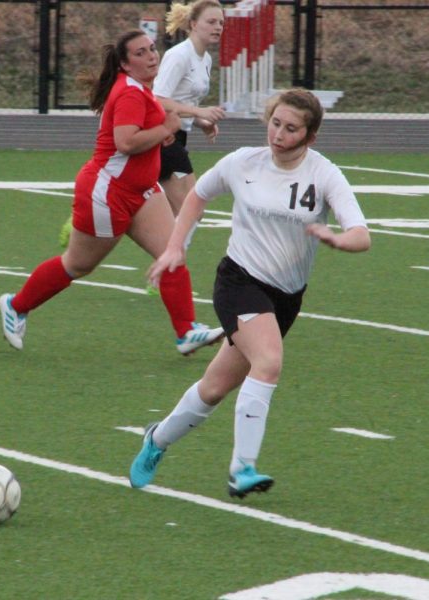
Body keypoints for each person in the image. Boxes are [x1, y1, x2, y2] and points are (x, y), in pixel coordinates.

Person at [129, 89, 371, 497]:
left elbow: (362, 235)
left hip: (286, 298)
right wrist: (174, 246)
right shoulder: (242, 162)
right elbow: (197, 195)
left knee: (213, 389)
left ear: (310, 137)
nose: (278, 134)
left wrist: (337, 239)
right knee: (269, 361)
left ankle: (156, 440)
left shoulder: (324, 174)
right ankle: (242, 467)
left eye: (291, 129)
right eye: (275, 123)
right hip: (239, 283)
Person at [0, 30, 224, 356]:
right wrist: (166, 130)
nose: (151, 56)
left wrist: (184, 124)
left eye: (152, 49)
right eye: (141, 53)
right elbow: (126, 143)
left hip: (142, 190)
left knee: (172, 252)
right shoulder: (130, 93)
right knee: (78, 264)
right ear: (124, 64)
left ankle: (187, 331)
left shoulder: (140, 89)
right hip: (108, 193)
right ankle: (15, 305)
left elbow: (157, 117)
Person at [154, 0, 226, 217]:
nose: (218, 27)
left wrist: (200, 122)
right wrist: (199, 112)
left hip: (179, 136)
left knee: (178, 213)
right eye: (211, 21)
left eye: (221, 23)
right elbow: (157, 99)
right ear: (194, 24)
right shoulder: (179, 55)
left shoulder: (206, 59)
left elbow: (182, 99)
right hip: (164, 138)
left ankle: (166, 250)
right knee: (190, 210)